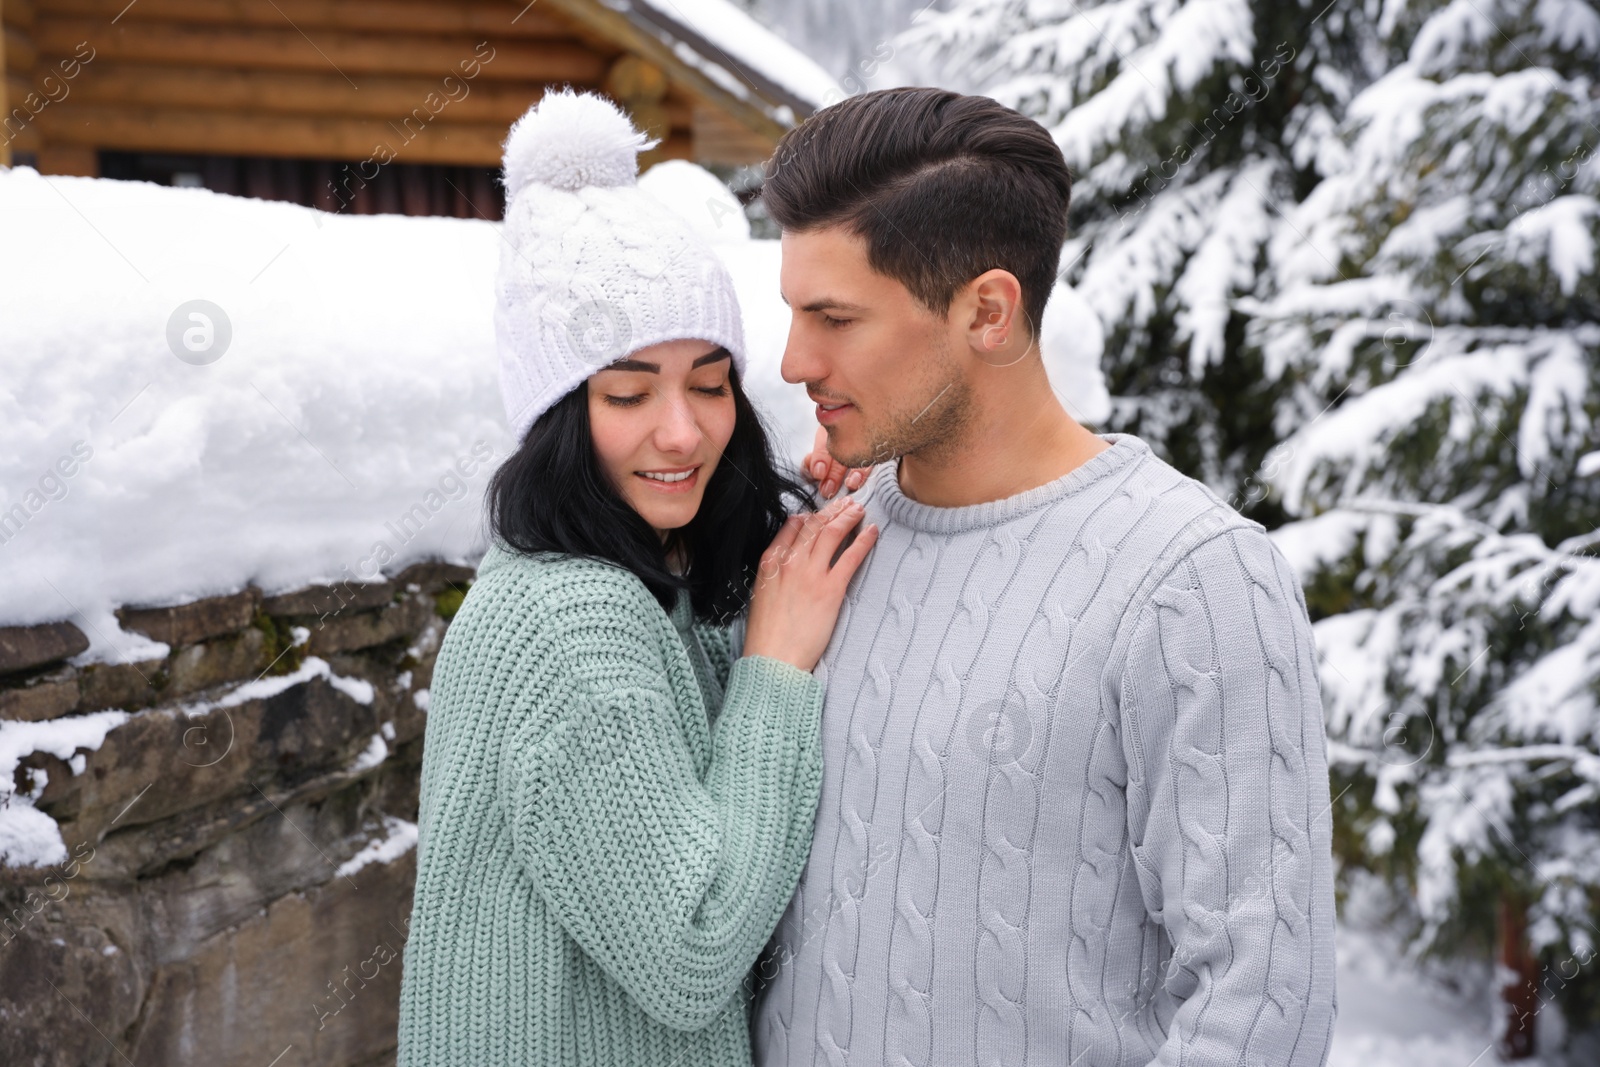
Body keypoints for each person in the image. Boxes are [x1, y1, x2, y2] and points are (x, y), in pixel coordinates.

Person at [750, 87, 1338, 1066]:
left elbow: (1263, 1000)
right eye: (793, 312)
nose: (794, 358)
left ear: (987, 308)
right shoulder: (821, 546)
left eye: (835, 318)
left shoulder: (1193, 577)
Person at [395, 89, 878, 1067]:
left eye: (709, 382)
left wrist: (816, 516)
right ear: (558, 415)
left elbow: (689, 695)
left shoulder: (644, 561)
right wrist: (776, 669)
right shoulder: (568, 621)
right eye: (626, 391)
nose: (683, 429)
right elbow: (694, 941)